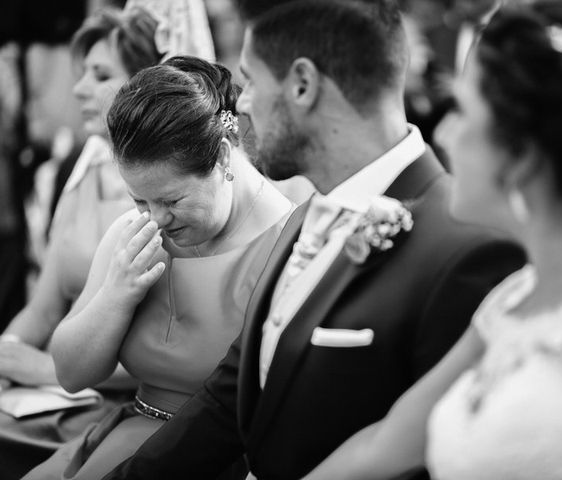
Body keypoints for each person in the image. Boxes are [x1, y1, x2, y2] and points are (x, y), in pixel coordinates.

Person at [103, 1, 526, 479]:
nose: (241, 104)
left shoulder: (467, 250)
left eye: (254, 80)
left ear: (303, 85)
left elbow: (436, 456)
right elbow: (228, 402)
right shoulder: (304, 219)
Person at [300, 0, 562, 479]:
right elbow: (380, 449)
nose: (444, 130)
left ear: (522, 156)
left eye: (463, 110)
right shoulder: (512, 298)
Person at [24, 56, 293, 480]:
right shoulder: (136, 234)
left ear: (223, 158)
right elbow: (72, 374)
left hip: (225, 461)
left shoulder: (287, 246)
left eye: (172, 200)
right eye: (138, 201)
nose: (156, 218)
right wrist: (115, 294)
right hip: (125, 436)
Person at [0, 7, 166, 479]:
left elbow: (175, 349)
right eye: (81, 75)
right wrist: (8, 353)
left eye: (100, 75)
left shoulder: (165, 196)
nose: (79, 90)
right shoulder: (84, 168)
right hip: (56, 383)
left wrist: (45, 370)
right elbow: (45, 307)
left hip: (123, 396)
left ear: (146, 83)